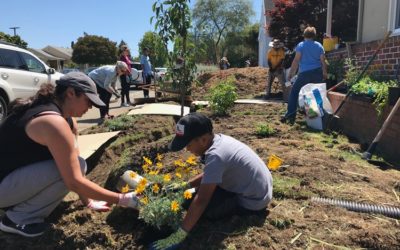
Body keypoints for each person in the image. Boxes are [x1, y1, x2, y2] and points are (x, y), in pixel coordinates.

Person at [0, 72, 140, 237]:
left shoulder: (66, 120)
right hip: (4, 185)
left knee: (78, 164)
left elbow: (75, 164)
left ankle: (20, 206)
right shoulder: (53, 123)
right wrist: (123, 199)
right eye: (88, 101)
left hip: (10, 180)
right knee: (67, 172)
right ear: (71, 93)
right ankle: (17, 219)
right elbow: (73, 181)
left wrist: (88, 201)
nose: (90, 108)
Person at [149, 113, 273, 250]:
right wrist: (185, 185)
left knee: (202, 208)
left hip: (252, 201)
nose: (187, 149)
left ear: (203, 140)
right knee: (190, 194)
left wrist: (178, 236)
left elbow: (202, 200)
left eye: (188, 144)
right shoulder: (219, 141)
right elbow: (210, 174)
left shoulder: (216, 155)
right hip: (257, 189)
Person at [281, 26, 328, 124]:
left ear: (304, 35)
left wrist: (291, 74)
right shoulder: (319, 45)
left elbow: (296, 60)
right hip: (317, 73)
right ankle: (318, 119)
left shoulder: (301, 45)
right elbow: (323, 61)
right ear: (314, 35)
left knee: (294, 93)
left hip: (304, 74)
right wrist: (324, 73)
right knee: (316, 94)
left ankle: (290, 116)